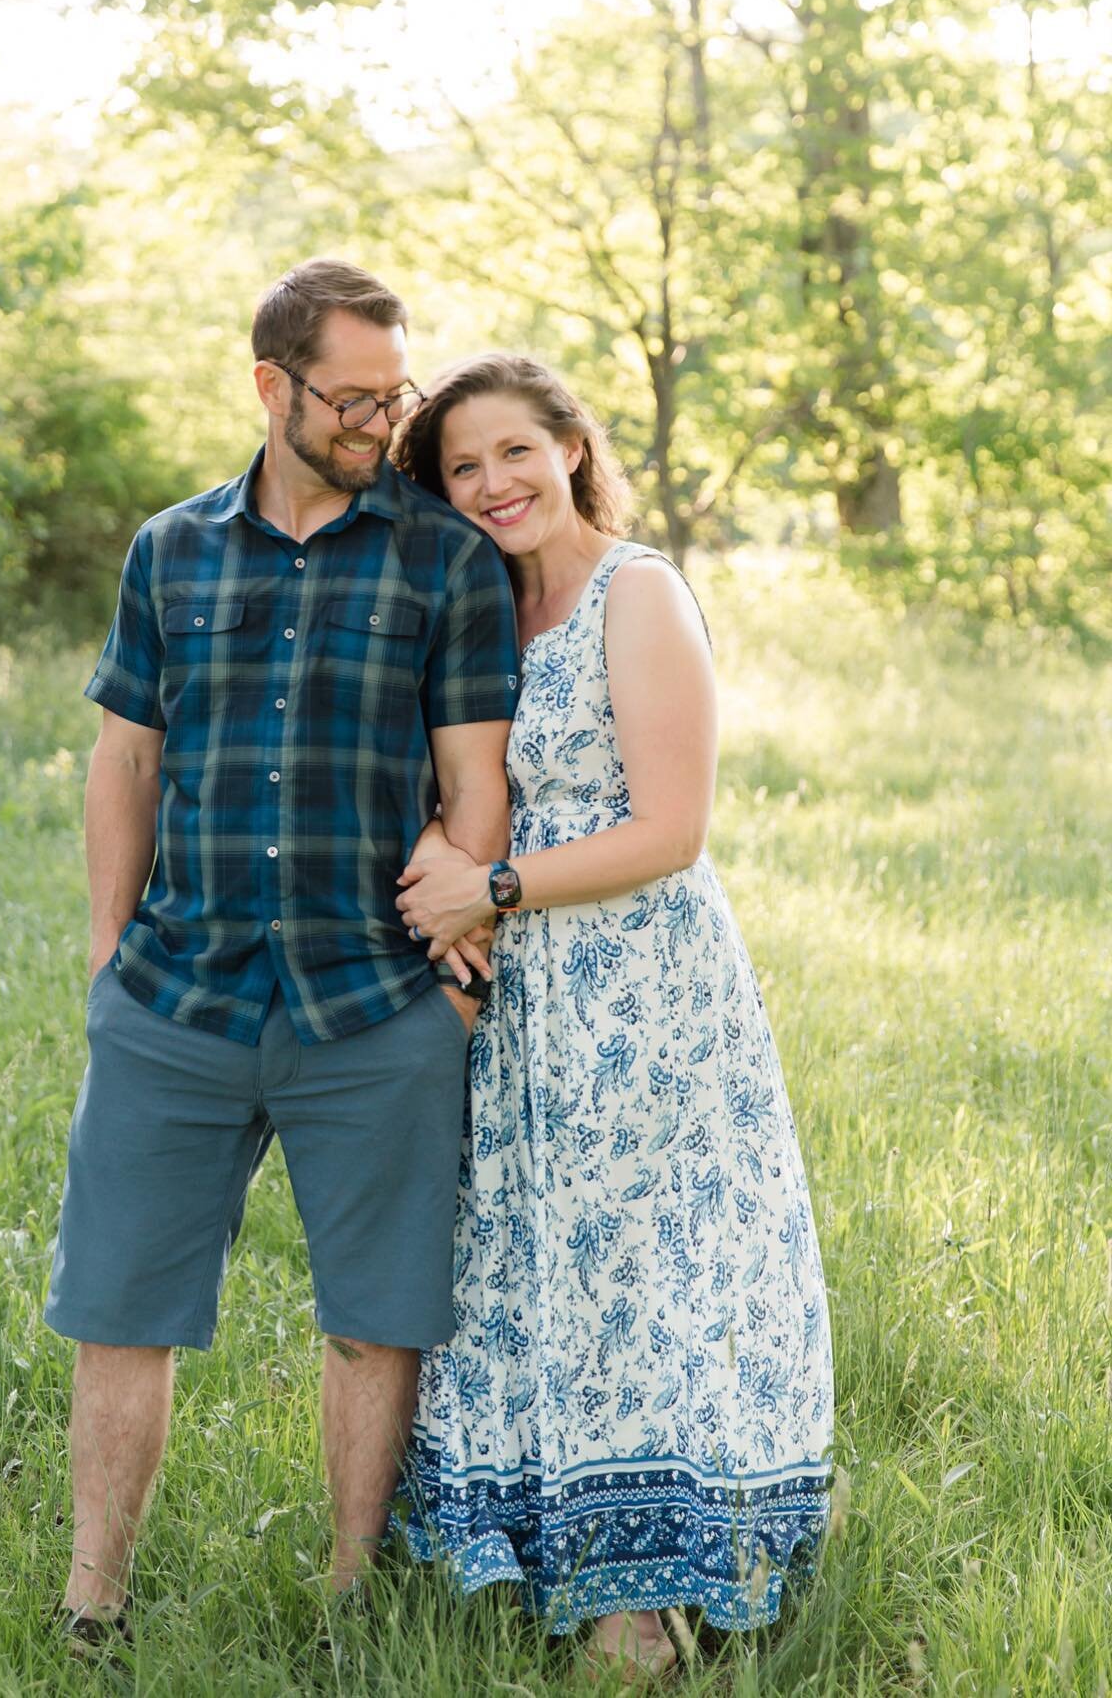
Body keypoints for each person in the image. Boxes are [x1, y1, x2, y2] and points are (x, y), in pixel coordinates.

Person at [42, 263, 520, 1648]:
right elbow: (126, 761)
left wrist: (457, 949)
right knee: (119, 1308)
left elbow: (474, 778)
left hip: (372, 1000)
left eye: (397, 395)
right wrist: (105, 959)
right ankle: (93, 1605)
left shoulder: (444, 558)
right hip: (175, 995)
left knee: (377, 1317)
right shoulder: (169, 551)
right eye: (356, 397)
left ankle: (354, 1592)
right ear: (272, 386)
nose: (385, 422)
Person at [391, 354, 834, 1682]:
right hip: (515, 999)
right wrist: (446, 881)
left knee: (650, 1272)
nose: (492, 485)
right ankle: (540, 1554)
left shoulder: (637, 595)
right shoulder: (471, 607)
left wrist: (497, 883)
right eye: (462, 468)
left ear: (573, 446)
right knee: (530, 1271)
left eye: (515, 453)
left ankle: (652, 1598)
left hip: (645, 986)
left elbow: (673, 828)